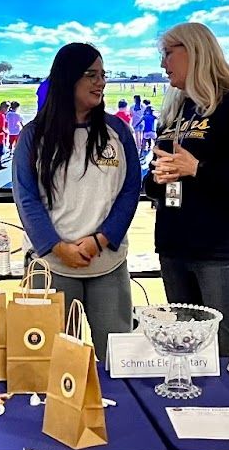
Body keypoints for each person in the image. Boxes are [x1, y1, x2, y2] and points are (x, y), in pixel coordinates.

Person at [144, 22, 229, 359]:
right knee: (185, 353)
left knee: (225, 354)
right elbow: (154, 183)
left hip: (221, 252)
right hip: (174, 248)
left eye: (168, 54)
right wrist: (158, 179)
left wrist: (197, 169)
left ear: (194, 51)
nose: (163, 64)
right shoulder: (176, 109)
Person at [12, 44, 141, 359]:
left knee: (115, 360)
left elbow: (130, 190)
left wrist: (100, 240)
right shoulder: (33, 135)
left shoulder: (117, 131)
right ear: (68, 78)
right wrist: (58, 248)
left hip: (107, 264)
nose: (101, 82)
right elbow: (27, 199)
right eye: (91, 75)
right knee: (53, 360)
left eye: (103, 75)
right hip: (52, 266)